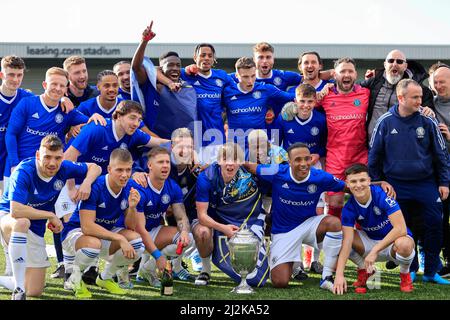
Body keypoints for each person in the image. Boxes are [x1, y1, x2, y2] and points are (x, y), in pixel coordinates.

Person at [61, 100, 167, 284]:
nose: (136, 123)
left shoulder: (133, 135)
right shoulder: (97, 128)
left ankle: (101, 274)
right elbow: (68, 158)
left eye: (139, 119)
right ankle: (70, 269)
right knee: (78, 230)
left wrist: (186, 144)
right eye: (132, 118)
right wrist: (72, 188)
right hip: (77, 182)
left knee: (117, 235)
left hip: (103, 184)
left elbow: (158, 142)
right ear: (117, 116)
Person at [369, 78, 450, 284]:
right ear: (401, 98)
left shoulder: (428, 120)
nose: (420, 101)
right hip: (396, 185)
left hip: (425, 183)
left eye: (421, 97)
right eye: (415, 97)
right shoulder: (385, 121)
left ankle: (431, 272)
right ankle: (411, 269)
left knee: (435, 224)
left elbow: (441, 154)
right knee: (404, 229)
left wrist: (444, 182)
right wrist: (378, 181)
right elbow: (374, 156)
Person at [0, 135, 101, 299]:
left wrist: (86, 183)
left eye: (58, 158)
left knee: (34, 290)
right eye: (47, 157)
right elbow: (16, 210)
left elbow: (95, 167)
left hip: (36, 228)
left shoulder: (64, 168)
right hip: (8, 221)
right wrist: (51, 215)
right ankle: (18, 290)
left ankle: (13, 282)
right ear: (38, 155)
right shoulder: (24, 170)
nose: (53, 163)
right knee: (22, 222)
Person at [245, 142, 344, 291]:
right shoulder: (277, 171)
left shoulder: (320, 177)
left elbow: (350, 187)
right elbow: (251, 167)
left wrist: (378, 185)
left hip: (309, 225)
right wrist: (228, 160)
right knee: (280, 282)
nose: (303, 163)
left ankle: (327, 276)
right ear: (289, 162)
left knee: (334, 223)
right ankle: (288, 258)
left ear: (311, 159)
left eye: (307, 159)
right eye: (298, 160)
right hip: (284, 231)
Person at [62, 148, 144, 298]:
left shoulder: (128, 187)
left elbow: (130, 227)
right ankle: (74, 278)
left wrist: (132, 208)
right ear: (109, 169)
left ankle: (105, 278)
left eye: (128, 170)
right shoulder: (96, 186)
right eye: (119, 170)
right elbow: (87, 227)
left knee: (137, 242)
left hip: (103, 236)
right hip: (76, 233)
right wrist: (119, 238)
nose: (125, 175)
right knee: (93, 245)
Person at [117, 147, 195, 288]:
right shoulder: (138, 187)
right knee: (136, 241)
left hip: (151, 231)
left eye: (167, 162)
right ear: (150, 165)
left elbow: (181, 216)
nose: (165, 165)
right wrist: (159, 256)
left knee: (188, 239)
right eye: (160, 162)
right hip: (129, 234)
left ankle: (147, 269)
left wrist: (183, 231)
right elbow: (139, 229)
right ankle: (120, 270)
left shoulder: (173, 187)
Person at [196, 142, 270, 288]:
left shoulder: (251, 174)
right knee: (202, 232)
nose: (230, 164)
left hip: (249, 221)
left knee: (256, 279)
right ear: (218, 161)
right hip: (215, 221)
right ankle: (205, 270)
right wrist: (223, 228)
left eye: (235, 160)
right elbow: (202, 216)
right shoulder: (207, 177)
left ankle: (276, 261)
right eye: (225, 159)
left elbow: (270, 191)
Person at [333, 163, 415, 295]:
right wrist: (339, 274)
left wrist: (375, 251)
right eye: (353, 181)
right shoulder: (349, 208)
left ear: (369, 181)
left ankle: (405, 275)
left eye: (362, 180)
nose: (358, 185)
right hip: (369, 241)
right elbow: (347, 242)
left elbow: (401, 229)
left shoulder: (382, 195)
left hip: (392, 242)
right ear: (347, 184)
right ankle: (363, 270)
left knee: (405, 244)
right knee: (340, 238)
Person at [131, 22, 197, 139]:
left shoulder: (187, 86)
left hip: (182, 145)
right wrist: (144, 41)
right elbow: (136, 67)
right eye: (171, 65)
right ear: (161, 68)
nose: (175, 68)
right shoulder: (151, 84)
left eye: (178, 65)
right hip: (155, 144)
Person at [362, 50, 435, 141]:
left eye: (399, 62)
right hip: (373, 144)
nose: (394, 64)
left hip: (401, 145)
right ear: (385, 65)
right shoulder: (373, 82)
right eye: (391, 61)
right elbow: (353, 90)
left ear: (405, 66)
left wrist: (429, 110)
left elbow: (429, 110)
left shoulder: (419, 88)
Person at [223, 57, 294, 148]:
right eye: (245, 77)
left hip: (258, 148)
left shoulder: (266, 89)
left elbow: (293, 97)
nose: (250, 81)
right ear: (236, 75)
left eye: (253, 76)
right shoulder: (227, 92)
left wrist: (316, 93)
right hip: (236, 148)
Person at [0, 55, 33, 197]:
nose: (15, 79)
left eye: (19, 75)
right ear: (2, 75)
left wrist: (63, 98)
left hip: (14, 158)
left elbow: (47, 101)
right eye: (11, 75)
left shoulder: (27, 98)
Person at [432, 65, 450, 277]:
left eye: (442, 82)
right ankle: (446, 258)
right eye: (435, 82)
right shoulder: (432, 104)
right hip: (440, 172)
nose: (438, 86)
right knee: (441, 218)